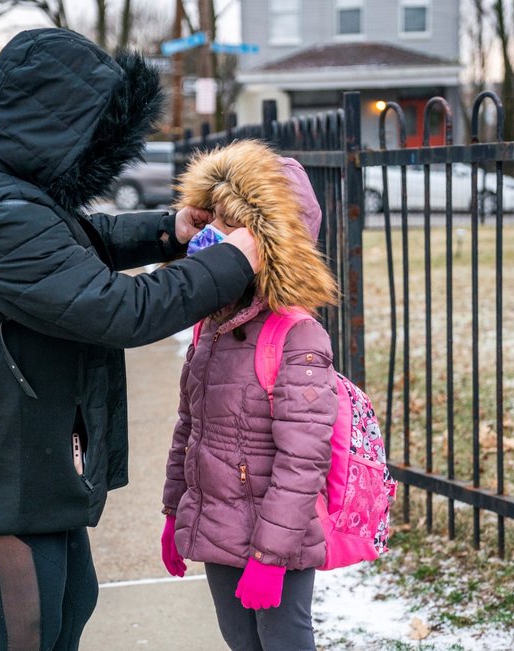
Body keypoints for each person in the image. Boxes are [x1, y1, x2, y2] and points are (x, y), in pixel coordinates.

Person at [0, 29, 260, 651]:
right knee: (27, 632)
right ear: (53, 123)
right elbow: (123, 310)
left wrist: (169, 231)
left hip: (18, 441)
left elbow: (66, 243)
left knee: (70, 603)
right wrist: (234, 261)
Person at [160, 140, 340, 651]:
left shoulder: (295, 335)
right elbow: (188, 431)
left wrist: (271, 556)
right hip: (218, 529)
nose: (212, 238)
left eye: (228, 226)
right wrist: (175, 513)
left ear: (267, 241)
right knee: (241, 642)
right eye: (210, 222)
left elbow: (303, 459)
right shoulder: (211, 327)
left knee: (283, 642)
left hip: (277, 539)